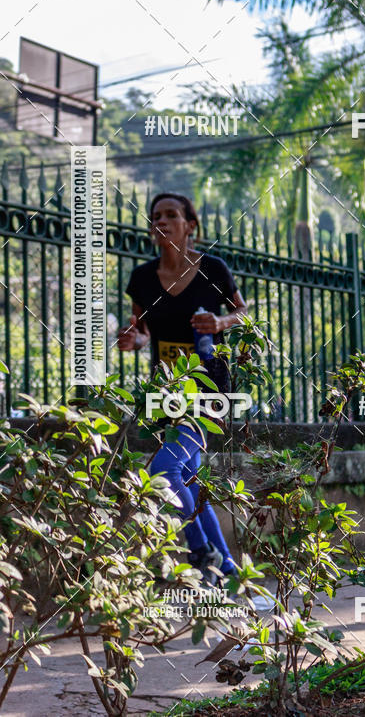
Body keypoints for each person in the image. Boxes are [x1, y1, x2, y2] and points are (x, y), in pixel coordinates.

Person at [117, 192, 247, 579]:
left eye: (171, 215)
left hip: (209, 388)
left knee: (165, 470)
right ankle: (230, 574)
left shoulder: (214, 269)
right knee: (187, 478)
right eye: (156, 216)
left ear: (190, 225)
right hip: (166, 391)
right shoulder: (141, 278)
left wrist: (221, 323)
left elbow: (243, 312)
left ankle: (200, 552)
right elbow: (140, 332)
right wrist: (132, 340)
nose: (162, 221)